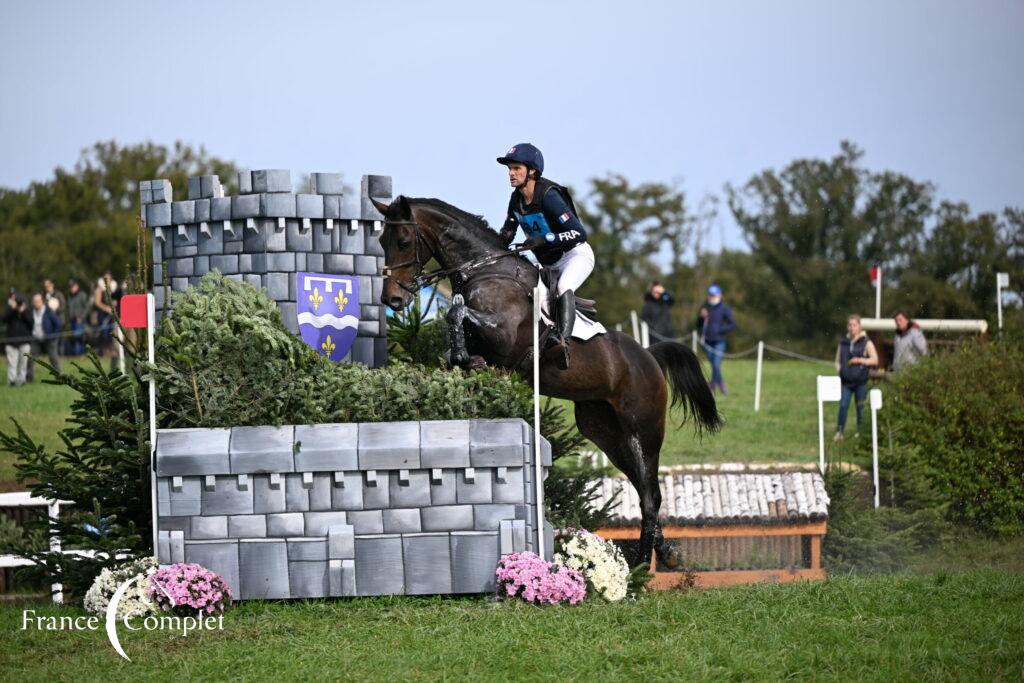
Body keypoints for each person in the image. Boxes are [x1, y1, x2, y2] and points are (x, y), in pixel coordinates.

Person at [496, 143, 592, 362]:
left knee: (564, 286)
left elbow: (579, 233)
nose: (511, 173)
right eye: (509, 169)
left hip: (574, 256)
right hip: (548, 263)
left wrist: (546, 239)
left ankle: (563, 344)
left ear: (532, 171)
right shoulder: (516, 199)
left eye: (516, 168)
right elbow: (508, 233)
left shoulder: (549, 196)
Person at [834, 314, 878, 440]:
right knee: (843, 406)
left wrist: (860, 360)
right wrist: (840, 370)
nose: (851, 327)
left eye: (854, 325)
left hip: (861, 381)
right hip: (846, 382)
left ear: (859, 326)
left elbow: (875, 360)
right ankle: (840, 432)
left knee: (860, 407)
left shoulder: (866, 342)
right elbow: (837, 361)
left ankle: (861, 433)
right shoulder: (843, 343)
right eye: (849, 325)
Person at [696, 284, 736, 395]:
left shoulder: (724, 308)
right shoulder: (704, 307)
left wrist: (719, 330)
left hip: (719, 341)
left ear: (719, 295)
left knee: (716, 364)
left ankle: (712, 385)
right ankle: (720, 382)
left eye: (714, 295)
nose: (712, 297)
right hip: (706, 341)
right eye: (710, 295)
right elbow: (698, 325)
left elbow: (732, 324)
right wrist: (701, 317)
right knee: (714, 364)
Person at [28, 292, 62, 377]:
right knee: (30, 358)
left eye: (38, 301)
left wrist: (54, 336)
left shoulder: (48, 311)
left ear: (42, 301)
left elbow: (58, 324)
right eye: (35, 301)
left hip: (49, 339)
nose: (37, 303)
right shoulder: (31, 312)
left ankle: (61, 377)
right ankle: (29, 377)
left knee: (53, 359)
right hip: (35, 339)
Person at [3, 292, 33, 386]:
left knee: (23, 363)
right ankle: (12, 381)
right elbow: (3, 319)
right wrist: (13, 310)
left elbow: (31, 323)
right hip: (11, 342)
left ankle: (22, 380)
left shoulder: (27, 311)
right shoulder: (10, 310)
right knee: (12, 363)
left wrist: (22, 312)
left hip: (24, 341)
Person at [42, 278, 68, 354]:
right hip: (50, 323)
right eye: (45, 286)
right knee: (52, 341)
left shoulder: (58, 294)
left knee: (61, 340)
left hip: (59, 320)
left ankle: (62, 355)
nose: (47, 288)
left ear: (52, 285)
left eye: (48, 286)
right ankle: (54, 355)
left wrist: (56, 309)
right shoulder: (44, 296)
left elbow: (64, 306)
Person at [66, 278, 90, 356]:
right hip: (72, 321)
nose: (71, 288)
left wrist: (81, 317)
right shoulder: (69, 296)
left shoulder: (82, 295)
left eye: (73, 286)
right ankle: (76, 356)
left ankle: (80, 355)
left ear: (77, 286)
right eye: (70, 287)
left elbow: (87, 308)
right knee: (74, 339)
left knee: (79, 338)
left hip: (80, 321)